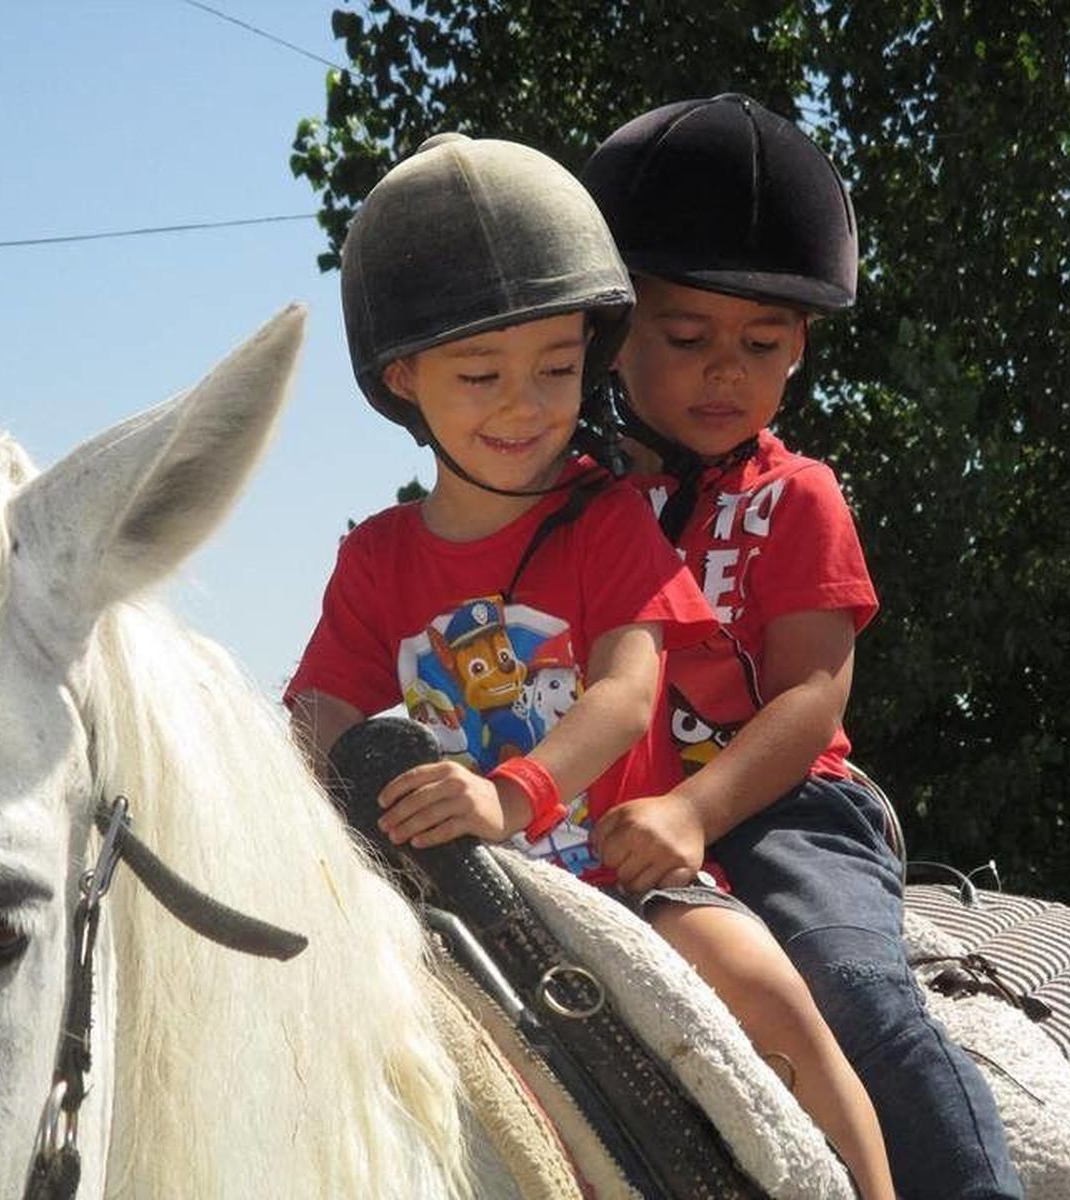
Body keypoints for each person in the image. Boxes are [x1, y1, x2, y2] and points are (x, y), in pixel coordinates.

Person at [287, 132, 895, 1199]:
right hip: (457, 884)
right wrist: (353, 790)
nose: (524, 406)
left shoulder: (610, 520)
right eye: (480, 374)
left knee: (771, 992)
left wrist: (511, 793)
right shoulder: (375, 559)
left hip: (619, 874)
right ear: (403, 379)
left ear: (590, 352)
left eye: (557, 369)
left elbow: (625, 691)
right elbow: (321, 710)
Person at [581, 93, 1020, 1199]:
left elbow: (812, 699)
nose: (724, 371)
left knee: (846, 982)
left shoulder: (796, 497)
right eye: (686, 340)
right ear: (614, 333)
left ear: (800, 352)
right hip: (603, 800)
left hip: (783, 805)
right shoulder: (571, 507)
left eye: (761, 345)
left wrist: (693, 812)